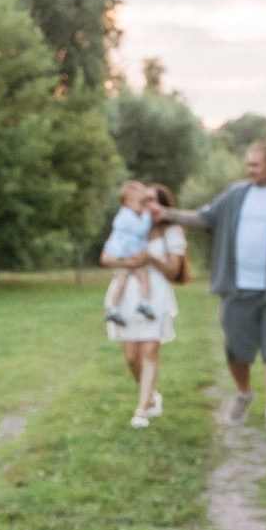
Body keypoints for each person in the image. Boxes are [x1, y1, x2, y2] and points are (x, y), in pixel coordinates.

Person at [154, 143, 266, 433]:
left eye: (256, 165)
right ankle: (245, 392)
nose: (250, 170)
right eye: (248, 165)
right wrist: (168, 215)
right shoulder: (236, 194)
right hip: (236, 288)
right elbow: (203, 217)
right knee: (235, 350)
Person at [101, 182, 188, 428]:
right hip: (128, 293)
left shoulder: (171, 232)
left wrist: (151, 258)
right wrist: (129, 263)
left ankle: (141, 410)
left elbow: (173, 270)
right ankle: (150, 396)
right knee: (131, 357)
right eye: (143, 199)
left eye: (151, 200)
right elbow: (105, 257)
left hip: (155, 294)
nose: (146, 204)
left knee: (149, 352)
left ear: (161, 205)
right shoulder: (129, 224)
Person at [102, 181, 157, 325]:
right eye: (141, 203)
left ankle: (113, 308)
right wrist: (146, 216)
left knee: (121, 281)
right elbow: (140, 231)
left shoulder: (124, 216)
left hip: (122, 253)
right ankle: (143, 302)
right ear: (128, 201)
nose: (143, 207)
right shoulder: (128, 217)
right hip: (127, 254)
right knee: (143, 277)